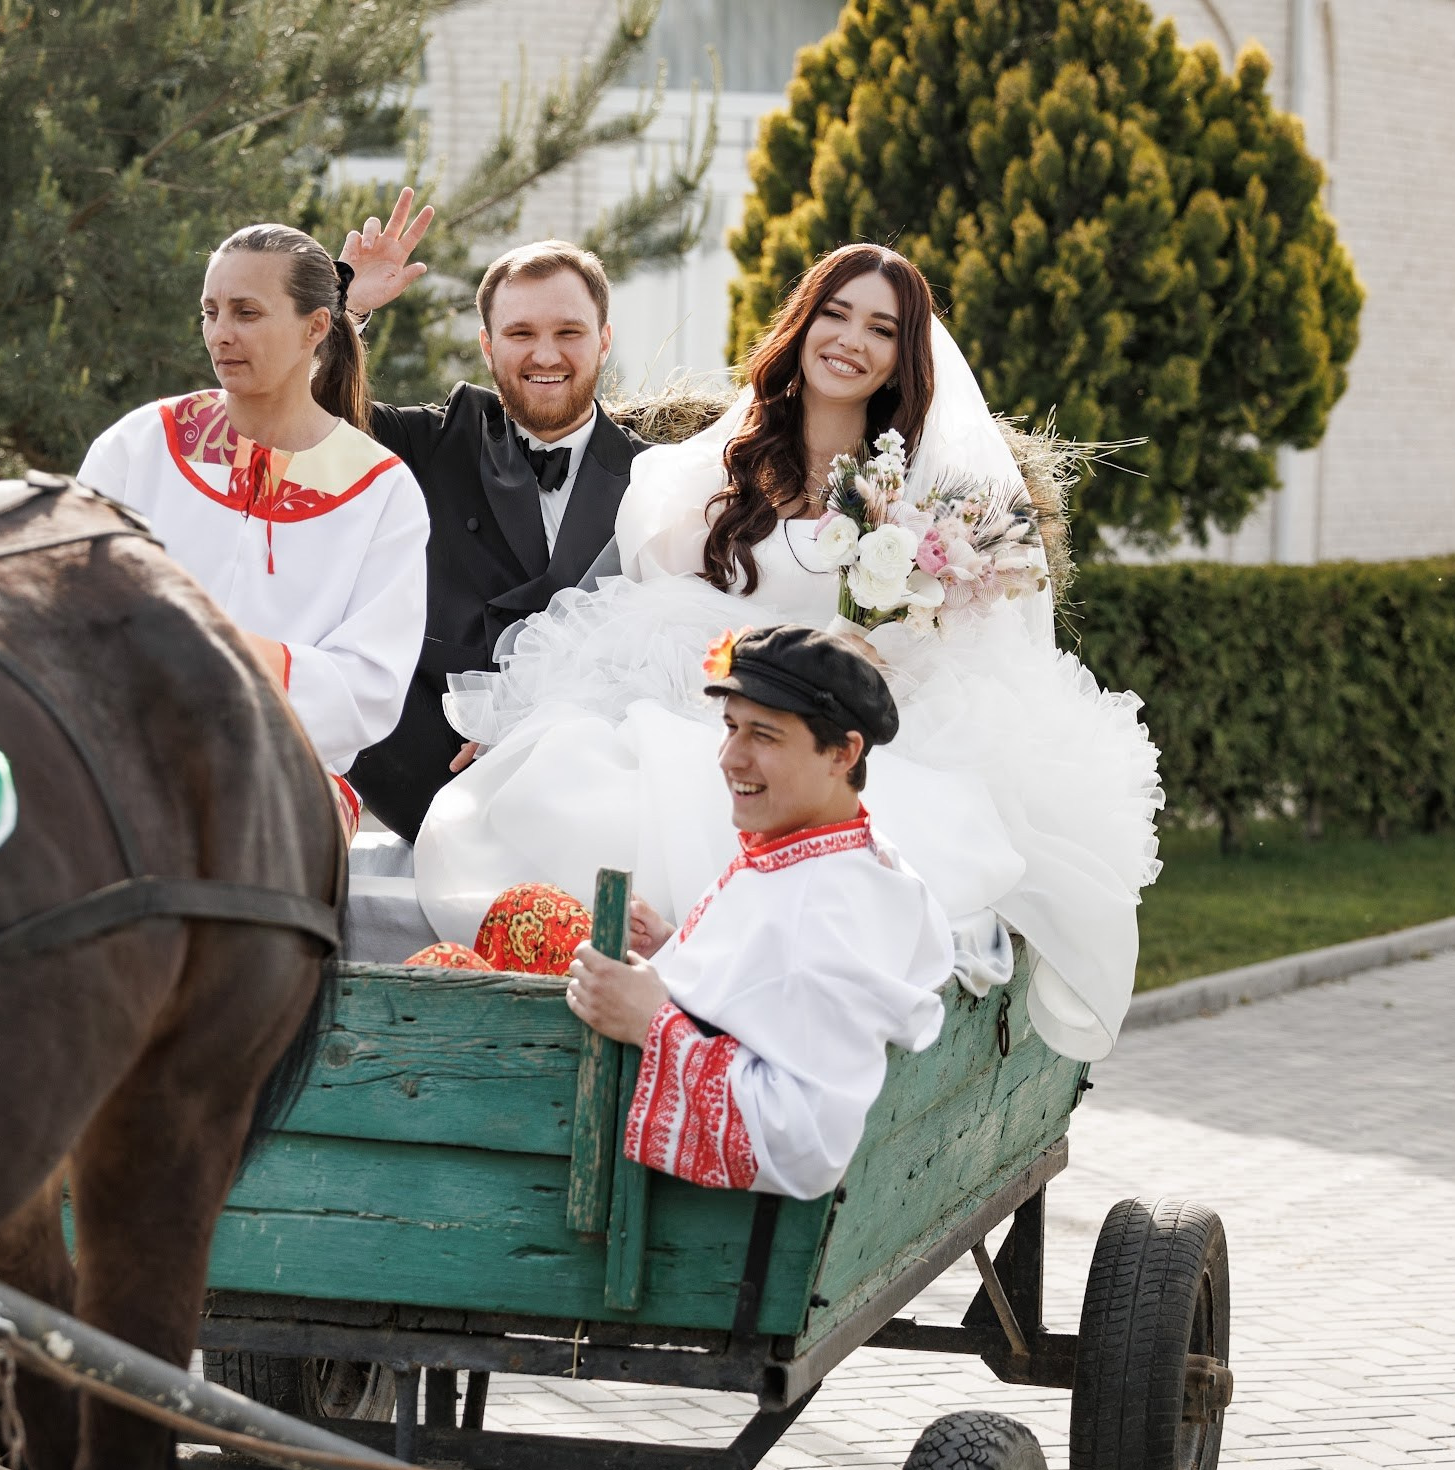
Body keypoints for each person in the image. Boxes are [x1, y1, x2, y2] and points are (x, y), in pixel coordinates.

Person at [416, 243, 1163, 1062]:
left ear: (901, 356)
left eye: (881, 328)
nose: (850, 340)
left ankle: (727, 1026)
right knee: (580, 776)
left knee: (837, 827)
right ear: (804, 325)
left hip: (856, 738)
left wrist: (867, 660)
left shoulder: (923, 502)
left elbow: (954, 653)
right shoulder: (716, 474)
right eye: (835, 314)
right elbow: (654, 622)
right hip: (712, 705)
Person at [566, 625, 951, 1197]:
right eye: (729, 727)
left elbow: (808, 1148)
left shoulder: (823, 911)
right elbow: (775, 983)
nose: (729, 758)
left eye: (764, 736)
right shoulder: (852, 855)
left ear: (843, 753)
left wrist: (652, 1022)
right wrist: (675, 949)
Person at [77, 222, 429, 824]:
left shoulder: (381, 489)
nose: (220, 335)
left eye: (246, 313)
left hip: (287, 792)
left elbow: (368, 687)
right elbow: (72, 602)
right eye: (210, 312)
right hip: (124, 760)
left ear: (315, 327)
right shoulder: (143, 444)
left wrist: (210, 656)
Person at [327, 198, 652, 841]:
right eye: (521, 333)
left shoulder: (655, 478)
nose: (546, 354)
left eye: (569, 332)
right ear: (486, 344)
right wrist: (342, 308)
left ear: (604, 340)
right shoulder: (434, 439)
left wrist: (539, 733)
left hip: (596, 789)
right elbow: (296, 418)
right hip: (437, 781)